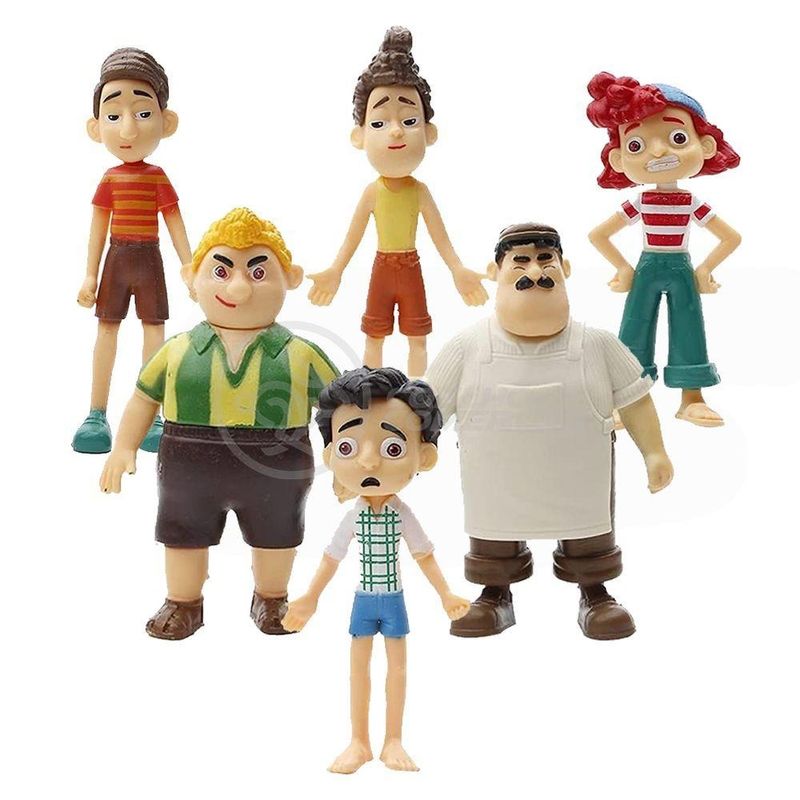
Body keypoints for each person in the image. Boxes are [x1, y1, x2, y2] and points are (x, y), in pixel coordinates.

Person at [426, 223, 674, 640]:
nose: (535, 271)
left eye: (546, 260)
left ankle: (595, 592)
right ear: (495, 271)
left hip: (579, 477)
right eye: (520, 261)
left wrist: (654, 452)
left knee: (589, 535)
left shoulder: (597, 344)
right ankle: (494, 593)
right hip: (495, 482)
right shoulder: (468, 347)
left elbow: (635, 400)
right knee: (493, 537)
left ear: (565, 269)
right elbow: (426, 407)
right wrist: (416, 448)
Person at [100, 208, 339, 640]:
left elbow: (339, 409)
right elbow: (143, 397)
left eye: (258, 272)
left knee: (276, 534)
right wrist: (123, 447)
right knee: (183, 534)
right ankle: (183, 601)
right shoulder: (177, 350)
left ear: (290, 278)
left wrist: (343, 458)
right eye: (222, 270)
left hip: (277, 461)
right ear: (192, 278)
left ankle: (271, 597)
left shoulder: (301, 354)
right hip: (188, 461)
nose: (239, 287)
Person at [282, 367, 469, 773]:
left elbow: (424, 555)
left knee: (397, 668)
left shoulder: (402, 515)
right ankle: (359, 741)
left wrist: (446, 594)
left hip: (395, 601)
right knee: (358, 668)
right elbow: (331, 558)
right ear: (330, 455)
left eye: (393, 448)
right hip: (364, 601)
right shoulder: (354, 516)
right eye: (348, 447)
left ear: (425, 457)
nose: (368, 461)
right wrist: (310, 597)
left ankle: (393, 740)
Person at [306, 26, 487, 377]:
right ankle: (371, 389)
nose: (395, 131)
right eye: (378, 123)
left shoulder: (419, 191)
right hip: (382, 269)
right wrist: (335, 271)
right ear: (359, 136)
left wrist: (458, 269)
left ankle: (417, 389)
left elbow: (440, 236)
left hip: (410, 269)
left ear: (429, 133)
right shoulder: (372, 192)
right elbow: (353, 237)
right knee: (374, 336)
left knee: (417, 339)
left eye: (409, 120)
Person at [587, 72, 741, 427]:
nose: (658, 151)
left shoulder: (690, 203)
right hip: (647, 268)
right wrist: (623, 268)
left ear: (705, 146)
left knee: (689, 325)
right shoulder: (641, 202)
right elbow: (599, 235)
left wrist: (705, 269)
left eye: (677, 138)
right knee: (634, 326)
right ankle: (627, 397)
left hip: (681, 268)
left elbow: (730, 237)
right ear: (618, 160)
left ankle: (692, 397)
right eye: (636, 146)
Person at [73, 47, 193, 454]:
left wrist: (190, 266)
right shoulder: (110, 179)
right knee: (107, 329)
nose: (127, 129)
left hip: (149, 260)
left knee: (154, 331)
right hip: (117, 260)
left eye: (143, 113)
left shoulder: (158, 178)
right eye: (113, 116)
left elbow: (174, 222)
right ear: (96, 127)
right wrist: (90, 275)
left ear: (166, 121)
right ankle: (96, 413)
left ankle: (151, 416)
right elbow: (97, 227)